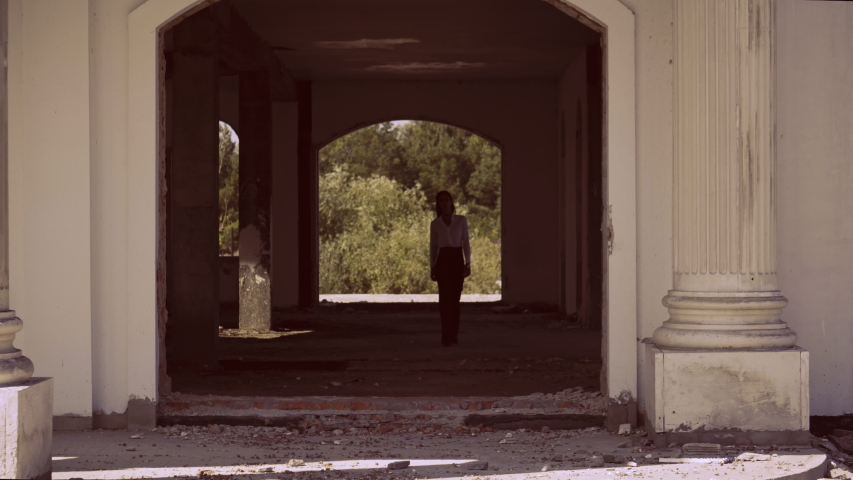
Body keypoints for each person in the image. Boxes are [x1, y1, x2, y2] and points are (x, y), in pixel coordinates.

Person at [429, 190, 471, 347]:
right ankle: (446, 336)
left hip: (456, 259)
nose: (444, 203)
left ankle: (454, 334)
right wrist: (432, 266)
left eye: (446, 200)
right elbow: (433, 246)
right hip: (443, 260)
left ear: (451, 202)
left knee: (454, 300)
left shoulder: (461, 221)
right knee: (444, 300)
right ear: (438, 204)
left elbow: (466, 242)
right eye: (440, 200)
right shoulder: (435, 224)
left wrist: (468, 263)